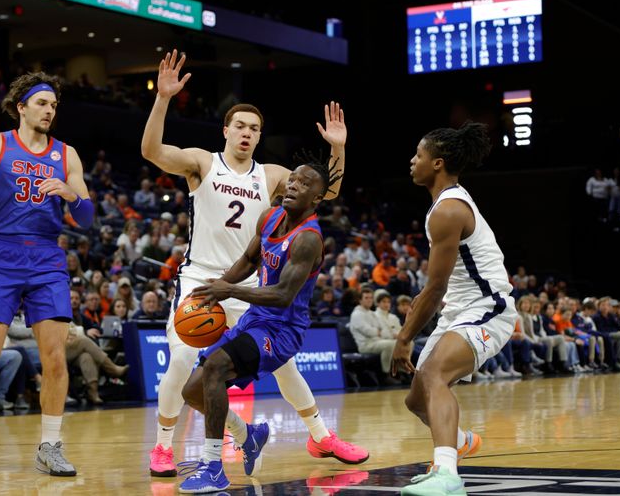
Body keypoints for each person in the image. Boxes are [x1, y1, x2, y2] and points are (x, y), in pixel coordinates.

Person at [141, 50, 365, 476]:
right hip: (203, 279)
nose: (246, 133)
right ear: (225, 129)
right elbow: (151, 149)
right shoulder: (202, 162)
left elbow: (327, 192)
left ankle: (322, 438)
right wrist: (163, 98)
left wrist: (337, 148)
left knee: (283, 364)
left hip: (248, 285)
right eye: (240, 126)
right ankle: (164, 446)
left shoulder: (274, 175)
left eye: (255, 129)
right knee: (184, 362)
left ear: (260, 137)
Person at [0, 72, 93, 476]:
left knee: (55, 359)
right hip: (3, 254)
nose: (49, 111)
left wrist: (71, 193)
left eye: (54, 105)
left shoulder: (66, 154)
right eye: (42, 103)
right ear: (21, 106)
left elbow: (87, 217)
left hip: (47, 258)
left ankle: (50, 445)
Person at [179, 158, 338, 492]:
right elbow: (249, 260)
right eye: (292, 179)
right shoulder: (271, 216)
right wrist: (217, 288)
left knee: (215, 370)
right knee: (192, 391)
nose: (293, 185)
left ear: (317, 199)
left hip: (282, 330)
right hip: (256, 319)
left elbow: (282, 295)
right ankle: (247, 435)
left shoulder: (308, 239)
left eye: (304, 183)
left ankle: (213, 468)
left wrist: (230, 290)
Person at [392, 122, 517, 495]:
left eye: (419, 155)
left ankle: (447, 474)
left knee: (432, 376)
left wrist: (404, 338)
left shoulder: (448, 210)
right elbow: (440, 289)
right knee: (416, 398)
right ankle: (459, 441)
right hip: (460, 308)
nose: (412, 161)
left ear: (437, 163)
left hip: (488, 306)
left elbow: (436, 287)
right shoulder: (443, 205)